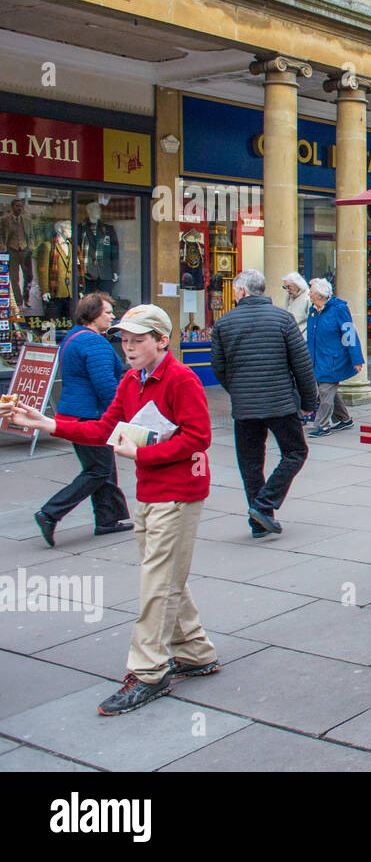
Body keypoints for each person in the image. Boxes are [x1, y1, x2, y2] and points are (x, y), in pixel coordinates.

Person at [0, 305, 219, 715]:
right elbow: (103, 428)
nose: (129, 347)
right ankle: (195, 650)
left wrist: (144, 452)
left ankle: (148, 670)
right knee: (166, 575)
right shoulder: (132, 382)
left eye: (138, 339)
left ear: (161, 340)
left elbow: (199, 436)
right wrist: (46, 423)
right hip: (150, 492)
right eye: (124, 339)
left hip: (179, 493)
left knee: (158, 580)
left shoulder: (181, 378)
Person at [211, 269, 317, 539]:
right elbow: (302, 364)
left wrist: (237, 390)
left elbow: (218, 368)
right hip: (280, 402)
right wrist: (308, 401)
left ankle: (259, 520)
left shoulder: (224, 323)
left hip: (246, 407)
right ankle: (263, 506)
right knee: (295, 452)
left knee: (250, 464)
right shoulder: (283, 319)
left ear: (241, 292)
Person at [32, 292, 132, 546]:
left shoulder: (73, 337)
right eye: (108, 312)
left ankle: (107, 519)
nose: (112, 316)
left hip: (76, 414)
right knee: (98, 470)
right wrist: (123, 415)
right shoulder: (93, 342)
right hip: (89, 417)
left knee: (103, 467)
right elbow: (106, 386)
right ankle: (50, 513)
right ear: (93, 314)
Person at [305, 278, 365, 437]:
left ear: (319, 294)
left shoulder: (338, 309)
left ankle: (322, 426)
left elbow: (349, 334)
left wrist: (357, 359)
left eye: (311, 290)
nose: (309, 293)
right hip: (318, 359)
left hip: (333, 360)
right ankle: (345, 419)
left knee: (325, 391)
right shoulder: (313, 310)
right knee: (328, 390)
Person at [281, 272, 311, 338]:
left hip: (302, 336)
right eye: (285, 287)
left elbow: (312, 321)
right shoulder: (289, 296)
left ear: (298, 285)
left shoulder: (308, 297)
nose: (287, 290)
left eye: (289, 287)